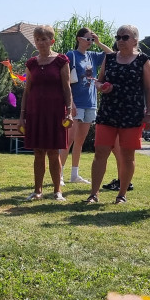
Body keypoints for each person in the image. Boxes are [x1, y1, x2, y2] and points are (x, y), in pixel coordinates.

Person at [86, 25, 150, 204]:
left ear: (135, 40)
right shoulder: (109, 58)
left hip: (132, 114)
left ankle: (122, 194)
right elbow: (99, 81)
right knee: (100, 152)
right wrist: (101, 86)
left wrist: (149, 114)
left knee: (127, 156)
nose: (120, 41)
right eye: (118, 37)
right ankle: (93, 194)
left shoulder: (143, 60)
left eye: (125, 37)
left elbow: (149, 89)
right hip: (108, 112)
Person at [20, 25, 72, 200]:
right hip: (35, 112)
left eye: (44, 39)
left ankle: (57, 191)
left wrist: (69, 112)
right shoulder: (31, 63)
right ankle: (37, 191)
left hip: (55, 113)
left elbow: (67, 88)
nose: (40, 42)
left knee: (53, 152)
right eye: (37, 39)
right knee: (38, 152)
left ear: (52, 41)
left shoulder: (61, 61)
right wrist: (22, 116)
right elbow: (27, 91)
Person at [60, 27, 113, 185]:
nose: (90, 42)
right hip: (76, 103)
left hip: (90, 103)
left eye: (92, 39)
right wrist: (71, 103)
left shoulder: (92, 56)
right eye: (88, 39)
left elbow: (111, 54)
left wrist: (99, 42)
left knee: (80, 141)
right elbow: (65, 81)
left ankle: (74, 174)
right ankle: (59, 174)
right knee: (69, 140)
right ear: (79, 39)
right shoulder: (71, 55)